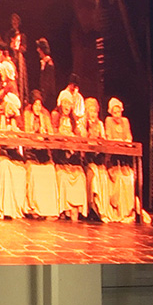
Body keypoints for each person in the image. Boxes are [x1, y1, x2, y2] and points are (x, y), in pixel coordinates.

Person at [22, 90, 58, 220]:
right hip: (31, 151)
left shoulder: (45, 114)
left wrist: (45, 133)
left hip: (43, 151)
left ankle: (48, 209)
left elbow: (51, 133)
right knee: (34, 172)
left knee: (49, 171)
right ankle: (34, 208)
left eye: (39, 104)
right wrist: (35, 134)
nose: (38, 107)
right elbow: (26, 132)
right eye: (35, 104)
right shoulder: (27, 114)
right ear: (31, 105)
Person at [103, 97, 141, 223]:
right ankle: (117, 210)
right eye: (114, 113)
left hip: (124, 158)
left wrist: (126, 142)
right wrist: (117, 142)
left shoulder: (125, 121)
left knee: (129, 177)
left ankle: (127, 211)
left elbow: (129, 136)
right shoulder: (108, 121)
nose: (117, 115)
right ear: (111, 113)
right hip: (113, 160)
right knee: (118, 178)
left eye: (119, 112)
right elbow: (108, 136)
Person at [0, 92, 28, 219]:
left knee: (21, 170)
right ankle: (5, 208)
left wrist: (17, 119)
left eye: (14, 110)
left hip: (13, 153)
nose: (11, 112)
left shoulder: (15, 118)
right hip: (0, 152)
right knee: (5, 166)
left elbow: (22, 132)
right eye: (10, 108)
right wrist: (5, 132)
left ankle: (16, 207)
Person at [53, 87, 88, 220]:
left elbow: (79, 135)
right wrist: (61, 135)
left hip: (72, 159)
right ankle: (63, 209)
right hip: (60, 159)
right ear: (61, 104)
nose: (67, 106)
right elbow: (52, 133)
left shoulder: (73, 120)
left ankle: (75, 210)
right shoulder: (56, 116)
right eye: (65, 103)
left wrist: (75, 135)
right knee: (62, 176)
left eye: (69, 103)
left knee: (79, 176)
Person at [84, 96, 112, 222]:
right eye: (91, 111)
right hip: (88, 160)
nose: (93, 114)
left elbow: (103, 138)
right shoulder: (84, 123)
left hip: (98, 159)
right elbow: (83, 140)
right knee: (93, 176)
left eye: (95, 111)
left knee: (103, 176)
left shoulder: (100, 124)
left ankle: (101, 209)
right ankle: (92, 207)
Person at [9, 13, 28, 98]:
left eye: (16, 21)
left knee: (20, 81)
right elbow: (7, 47)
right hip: (11, 59)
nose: (14, 22)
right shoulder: (9, 34)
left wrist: (18, 47)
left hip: (19, 59)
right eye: (13, 20)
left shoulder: (22, 36)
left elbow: (24, 48)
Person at [35, 38, 57, 110]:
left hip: (48, 98)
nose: (37, 50)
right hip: (45, 96)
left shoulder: (49, 64)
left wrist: (43, 98)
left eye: (39, 48)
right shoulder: (44, 63)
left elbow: (47, 83)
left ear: (42, 50)